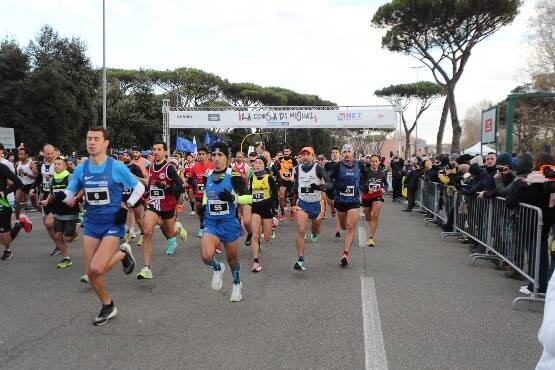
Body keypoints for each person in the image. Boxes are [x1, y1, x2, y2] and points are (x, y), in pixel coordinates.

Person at [61, 126, 144, 325]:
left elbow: (139, 187)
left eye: (96, 139)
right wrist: (60, 198)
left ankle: (123, 253)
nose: (91, 142)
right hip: (91, 223)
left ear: (105, 144)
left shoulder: (116, 167)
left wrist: (128, 205)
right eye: (89, 138)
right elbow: (69, 193)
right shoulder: (81, 169)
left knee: (96, 268)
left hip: (112, 224)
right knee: (90, 272)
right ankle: (108, 305)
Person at [199, 142, 252, 302]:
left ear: (227, 158)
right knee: (206, 256)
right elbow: (207, 194)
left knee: (232, 259)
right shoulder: (207, 175)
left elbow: (251, 197)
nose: (216, 158)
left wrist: (233, 198)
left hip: (229, 223)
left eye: (219, 155)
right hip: (211, 222)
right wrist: (203, 205)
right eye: (213, 155)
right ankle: (217, 268)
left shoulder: (234, 176)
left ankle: (236, 284)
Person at [137, 141, 187, 279]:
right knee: (147, 232)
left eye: (159, 149)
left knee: (170, 234)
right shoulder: (151, 167)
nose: (156, 152)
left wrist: (166, 187)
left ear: (165, 152)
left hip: (168, 206)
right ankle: (146, 268)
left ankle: (178, 230)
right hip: (154, 204)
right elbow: (152, 184)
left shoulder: (169, 168)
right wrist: (147, 192)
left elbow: (181, 187)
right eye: (154, 149)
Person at [291, 147, 330, 271]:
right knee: (301, 230)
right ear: (300, 156)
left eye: (308, 154)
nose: (305, 157)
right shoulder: (297, 169)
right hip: (302, 204)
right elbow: (296, 185)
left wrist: (318, 187)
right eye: (303, 154)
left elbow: (329, 183)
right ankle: (300, 260)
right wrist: (289, 194)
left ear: (313, 156)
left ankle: (314, 233)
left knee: (315, 231)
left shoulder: (318, 168)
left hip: (316, 205)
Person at [329, 144, 368, 267]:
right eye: (344, 151)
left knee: (351, 226)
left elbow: (366, 176)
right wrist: (337, 186)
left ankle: (345, 254)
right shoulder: (337, 166)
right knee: (344, 226)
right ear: (342, 154)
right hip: (340, 201)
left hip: (354, 200)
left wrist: (361, 187)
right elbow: (328, 180)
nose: (347, 154)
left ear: (352, 153)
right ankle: (342, 227)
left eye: (349, 152)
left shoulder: (359, 165)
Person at [40, 156, 82, 268]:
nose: (56, 166)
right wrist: (47, 201)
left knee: (67, 238)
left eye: (59, 164)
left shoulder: (70, 177)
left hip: (70, 211)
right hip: (57, 211)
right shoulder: (53, 178)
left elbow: (82, 189)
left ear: (65, 166)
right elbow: (51, 192)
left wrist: (76, 199)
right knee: (58, 235)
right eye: (55, 164)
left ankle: (77, 227)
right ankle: (66, 258)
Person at [248, 155, 278, 272]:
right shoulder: (252, 178)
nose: (257, 164)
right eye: (255, 162)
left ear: (264, 165)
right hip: (256, 209)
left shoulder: (269, 178)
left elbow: (274, 195)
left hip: (267, 209)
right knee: (255, 235)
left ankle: (273, 223)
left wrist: (274, 210)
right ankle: (256, 262)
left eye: (259, 162)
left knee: (266, 237)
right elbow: (250, 195)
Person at [0, 162, 33, 261]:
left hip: (2, 205)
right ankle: (7, 250)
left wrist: (4, 192)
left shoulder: (1, 167)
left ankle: (20, 224)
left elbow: (18, 183)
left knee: (5, 240)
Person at [121, 151, 148, 245]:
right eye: (123, 155)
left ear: (131, 157)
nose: (124, 157)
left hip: (135, 196)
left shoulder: (135, 168)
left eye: (127, 155)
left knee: (138, 219)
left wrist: (135, 177)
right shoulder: (121, 168)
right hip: (123, 195)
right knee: (121, 216)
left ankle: (143, 234)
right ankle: (127, 233)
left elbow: (144, 182)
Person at [189, 147, 214, 238]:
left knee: (211, 212)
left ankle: (207, 229)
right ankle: (202, 225)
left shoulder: (213, 165)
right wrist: (190, 190)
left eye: (203, 154)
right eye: (200, 154)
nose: (201, 156)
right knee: (199, 211)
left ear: (207, 155)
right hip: (199, 193)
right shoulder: (195, 167)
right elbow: (190, 180)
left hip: (211, 194)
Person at [361, 155, 386, 247]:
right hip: (366, 196)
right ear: (370, 162)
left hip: (377, 195)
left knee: (375, 214)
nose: (374, 163)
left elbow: (386, 184)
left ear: (379, 162)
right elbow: (361, 184)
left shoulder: (382, 173)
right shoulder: (366, 172)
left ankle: (371, 237)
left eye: (376, 161)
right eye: (372, 161)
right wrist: (367, 189)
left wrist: (383, 188)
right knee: (368, 217)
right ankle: (372, 228)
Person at [232, 151, 253, 246]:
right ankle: (240, 226)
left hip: (244, 191)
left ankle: (248, 228)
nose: (238, 158)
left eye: (240, 157)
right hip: (236, 191)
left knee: (243, 210)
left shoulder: (246, 167)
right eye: (237, 156)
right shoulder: (232, 166)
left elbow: (249, 179)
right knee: (238, 210)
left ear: (244, 158)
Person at [15, 147, 39, 219]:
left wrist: (25, 174)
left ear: (26, 155)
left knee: (35, 204)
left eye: (22, 154)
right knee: (16, 202)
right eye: (19, 154)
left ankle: (45, 214)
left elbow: (36, 177)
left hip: (31, 185)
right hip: (22, 185)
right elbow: (18, 175)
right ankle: (17, 220)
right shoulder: (18, 163)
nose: (19, 156)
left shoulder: (31, 163)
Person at [276, 144, 297, 222]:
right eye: (285, 151)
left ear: (290, 152)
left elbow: (296, 170)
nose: (286, 153)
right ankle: (282, 213)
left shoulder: (293, 160)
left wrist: (292, 172)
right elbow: (276, 169)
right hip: (282, 180)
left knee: (293, 199)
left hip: (290, 180)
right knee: (281, 196)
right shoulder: (280, 159)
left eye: (287, 151)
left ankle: (292, 211)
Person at [324, 146, 342, 237]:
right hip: (330, 187)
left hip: (339, 188)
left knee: (338, 208)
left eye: (336, 152)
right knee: (331, 202)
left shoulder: (343, 164)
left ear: (339, 154)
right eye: (333, 153)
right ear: (331, 154)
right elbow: (325, 176)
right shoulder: (327, 165)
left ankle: (338, 230)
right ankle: (331, 209)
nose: (335, 154)